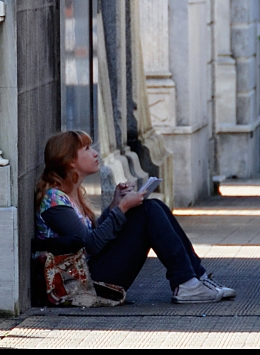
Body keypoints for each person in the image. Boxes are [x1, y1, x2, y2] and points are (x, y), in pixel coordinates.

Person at [34, 130, 236, 304]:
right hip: (83, 283)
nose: (95, 153)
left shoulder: (69, 195)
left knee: (153, 206)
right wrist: (121, 208)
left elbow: (91, 239)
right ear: (70, 161)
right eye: (86, 149)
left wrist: (115, 205)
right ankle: (187, 283)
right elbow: (91, 246)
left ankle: (196, 277)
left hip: (90, 272)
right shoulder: (54, 201)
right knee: (146, 211)